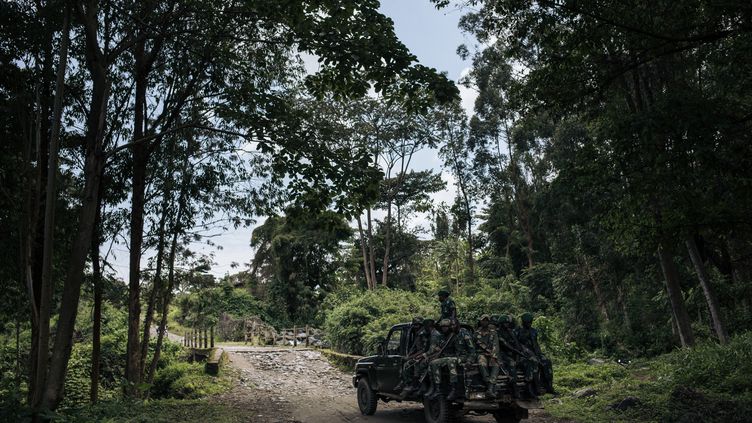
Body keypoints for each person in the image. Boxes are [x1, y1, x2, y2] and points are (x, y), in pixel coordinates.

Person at [515, 312, 554, 395]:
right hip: (523, 354)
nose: (529, 324)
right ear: (523, 322)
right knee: (534, 362)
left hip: (535, 352)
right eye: (527, 323)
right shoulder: (517, 331)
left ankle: (548, 386)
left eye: (530, 322)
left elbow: (536, 344)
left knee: (547, 362)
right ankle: (536, 387)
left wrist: (540, 354)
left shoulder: (533, 331)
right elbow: (517, 345)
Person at [426, 318, 460, 400]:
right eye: (442, 327)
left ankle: (453, 388)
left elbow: (457, 350)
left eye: (446, 326)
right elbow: (439, 347)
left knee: (447, 362)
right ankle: (436, 387)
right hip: (444, 356)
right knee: (431, 363)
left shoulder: (454, 336)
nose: (444, 328)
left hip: (453, 357)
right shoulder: (442, 336)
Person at [398, 317, 431, 397]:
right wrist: (409, 355)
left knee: (410, 364)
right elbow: (415, 348)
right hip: (421, 354)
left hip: (425, 355)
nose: (415, 327)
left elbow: (423, 349)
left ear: (420, 325)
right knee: (406, 362)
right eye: (414, 325)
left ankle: (413, 385)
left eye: (417, 325)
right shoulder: (417, 333)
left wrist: (410, 357)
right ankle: (407, 383)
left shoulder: (422, 334)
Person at [496, 314, 522, 398]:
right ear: (501, 323)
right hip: (500, 353)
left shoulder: (510, 332)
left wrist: (518, 352)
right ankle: (514, 387)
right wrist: (514, 350)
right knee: (511, 363)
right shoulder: (497, 332)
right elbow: (504, 343)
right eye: (505, 323)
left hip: (510, 353)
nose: (507, 325)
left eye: (507, 323)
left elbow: (516, 343)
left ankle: (515, 386)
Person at [474, 315, 500, 397]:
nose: (484, 322)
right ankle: (488, 383)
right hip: (481, 353)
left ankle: (490, 388)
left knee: (495, 365)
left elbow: (496, 345)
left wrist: (493, 355)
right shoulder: (476, 333)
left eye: (486, 320)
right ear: (480, 321)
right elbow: (477, 345)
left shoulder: (493, 332)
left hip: (491, 354)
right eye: (483, 320)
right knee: (482, 363)